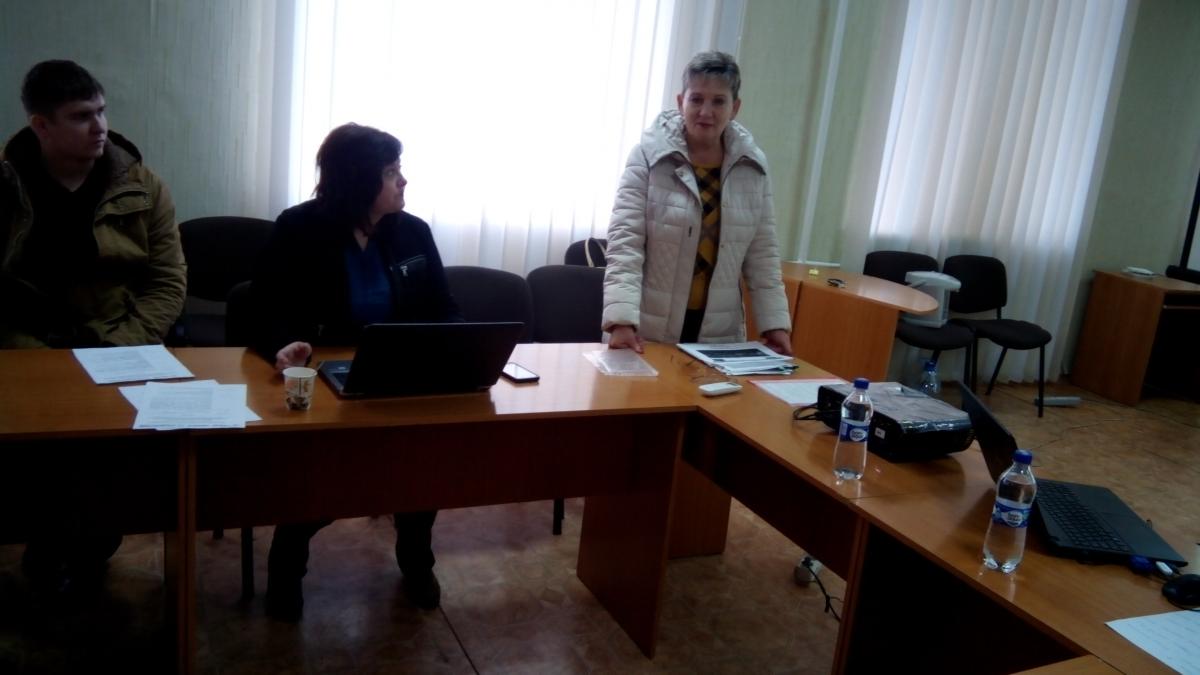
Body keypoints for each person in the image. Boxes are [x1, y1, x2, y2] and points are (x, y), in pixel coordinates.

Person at [249, 122, 459, 620]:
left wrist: (452, 343)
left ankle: (415, 559)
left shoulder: (412, 231)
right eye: (390, 172)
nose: (403, 181)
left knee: (421, 469)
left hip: (397, 375)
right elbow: (261, 308)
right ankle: (287, 567)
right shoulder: (299, 228)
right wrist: (282, 344)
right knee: (319, 479)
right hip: (319, 377)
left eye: (400, 169)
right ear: (358, 179)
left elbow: (445, 308)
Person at [0, 60, 186, 594]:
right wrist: (35, 355)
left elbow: (168, 282)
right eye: (82, 116)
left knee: (115, 466)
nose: (100, 126)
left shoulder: (142, 185)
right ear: (41, 125)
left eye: (102, 111)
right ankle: (48, 543)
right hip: (28, 349)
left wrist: (114, 347)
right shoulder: (5, 187)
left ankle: (93, 541)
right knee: (42, 462)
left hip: (117, 343)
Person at [602, 51, 792, 354]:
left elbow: (763, 255)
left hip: (720, 336)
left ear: (735, 108)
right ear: (681, 102)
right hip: (647, 330)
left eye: (718, 101)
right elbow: (625, 244)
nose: (706, 111)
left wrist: (775, 326)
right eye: (697, 99)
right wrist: (621, 321)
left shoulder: (752, 166)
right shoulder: (648, 157)